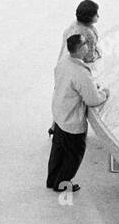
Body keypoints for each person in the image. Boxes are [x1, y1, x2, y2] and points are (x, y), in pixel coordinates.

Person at [47, 34, 110, 193]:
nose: (88, 46)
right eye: (86, 44)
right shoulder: (80, 73)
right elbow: (92, 99)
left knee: (58, 150)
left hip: (60, 113)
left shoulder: (64, 62)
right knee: (74, 153)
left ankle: (52, 179)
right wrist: (104, 93)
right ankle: (62, 183)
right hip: (72, 120)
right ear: (81, 49)